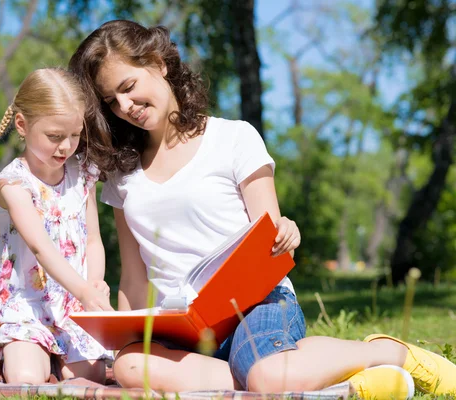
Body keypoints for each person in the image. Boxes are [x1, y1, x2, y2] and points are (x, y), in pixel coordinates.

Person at [68, 20, 456, 399]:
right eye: (110, 101)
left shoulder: (234, 138)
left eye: (128, 87)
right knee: (129, 367)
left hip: (255, 307)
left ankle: (386, 353)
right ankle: (307, 382)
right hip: (180, 325)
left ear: (158, 63)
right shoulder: (124, 175)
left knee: (266, 375)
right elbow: (134, 278)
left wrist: (287, 232)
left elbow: (272, 242)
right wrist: (126, 340)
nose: (124, 106)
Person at [0, 67, 114, 385]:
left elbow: (93, 239)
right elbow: (41, 248)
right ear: (23, 126)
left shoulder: (82, 175)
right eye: (55, 136)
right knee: (26, 379)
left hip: (73, 303)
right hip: (26, 302)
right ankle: (31, 354)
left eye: (75, 135)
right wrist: (81, 288)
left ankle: (59, 361)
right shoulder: (13, 184)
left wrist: (93, 283)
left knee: (89, 380)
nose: (66, 146)